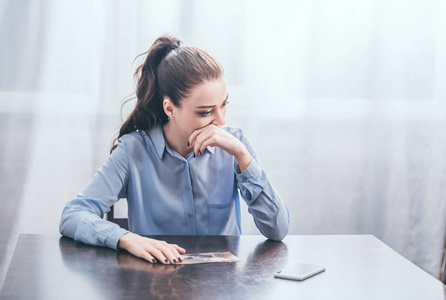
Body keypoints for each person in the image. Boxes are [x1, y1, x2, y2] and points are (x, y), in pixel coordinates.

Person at [59, 35, 290, 265]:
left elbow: (277, 230)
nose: (220, 121)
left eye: (223, 105)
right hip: (155, 281)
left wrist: (243, 157)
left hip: (222, 285)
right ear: (170, 108)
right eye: (205, 112)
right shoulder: (133, 151)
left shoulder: (236, 145)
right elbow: (73, 215)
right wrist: (127, 239)